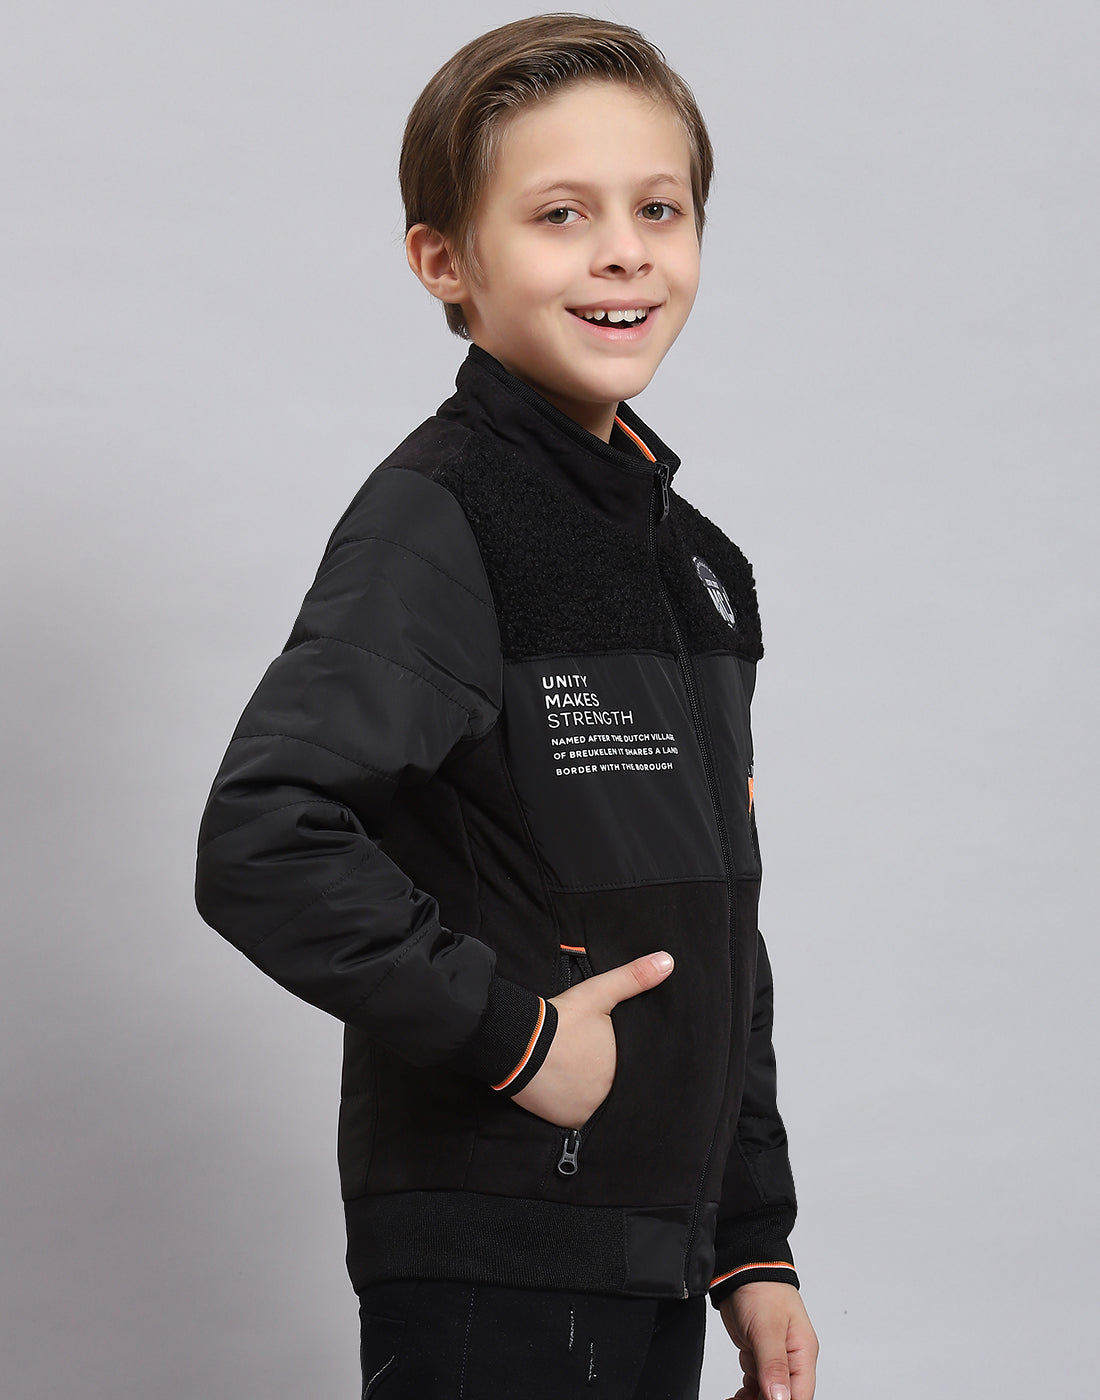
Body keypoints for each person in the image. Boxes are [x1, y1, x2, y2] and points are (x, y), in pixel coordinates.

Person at [196, 14, 818, 1399]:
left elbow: (716, 928)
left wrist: (750, 1246)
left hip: (652, 1249)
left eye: (660, 209)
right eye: (560, 214)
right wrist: (519, 1040)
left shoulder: (697, 566)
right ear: (445, 262)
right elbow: (263, 837)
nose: (624, 252)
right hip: (500, 1254)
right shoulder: (441, 519)